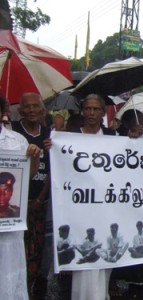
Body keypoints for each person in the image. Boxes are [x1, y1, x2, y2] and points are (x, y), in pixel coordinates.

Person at [69, 94, 116, 300]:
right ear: (82, 111)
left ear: (103, 112)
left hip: (105, 206)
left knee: (104, 250)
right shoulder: (70, 136)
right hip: (80, 206)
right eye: (87, 108)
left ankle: (102, 293)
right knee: (85, 251)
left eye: (96, 109)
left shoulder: (113, 136)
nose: (91, 113)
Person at [0, 94, 41, 300]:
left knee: (8, 271)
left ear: (2, 113)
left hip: (8, 226)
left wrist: (34, 158)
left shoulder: (16, 140)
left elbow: (29, 175)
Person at [12, 92, 52, 295]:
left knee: (36, 249)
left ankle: (32, 287)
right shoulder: (12, 133)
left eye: (35, 106)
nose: (31, 110)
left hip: (39, 202)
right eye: (26, 107)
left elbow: (53, 171)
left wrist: (39, 199)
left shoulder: (49, 135)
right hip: (15, 205)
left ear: (42, 110)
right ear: (20, 111)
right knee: (15, 250)